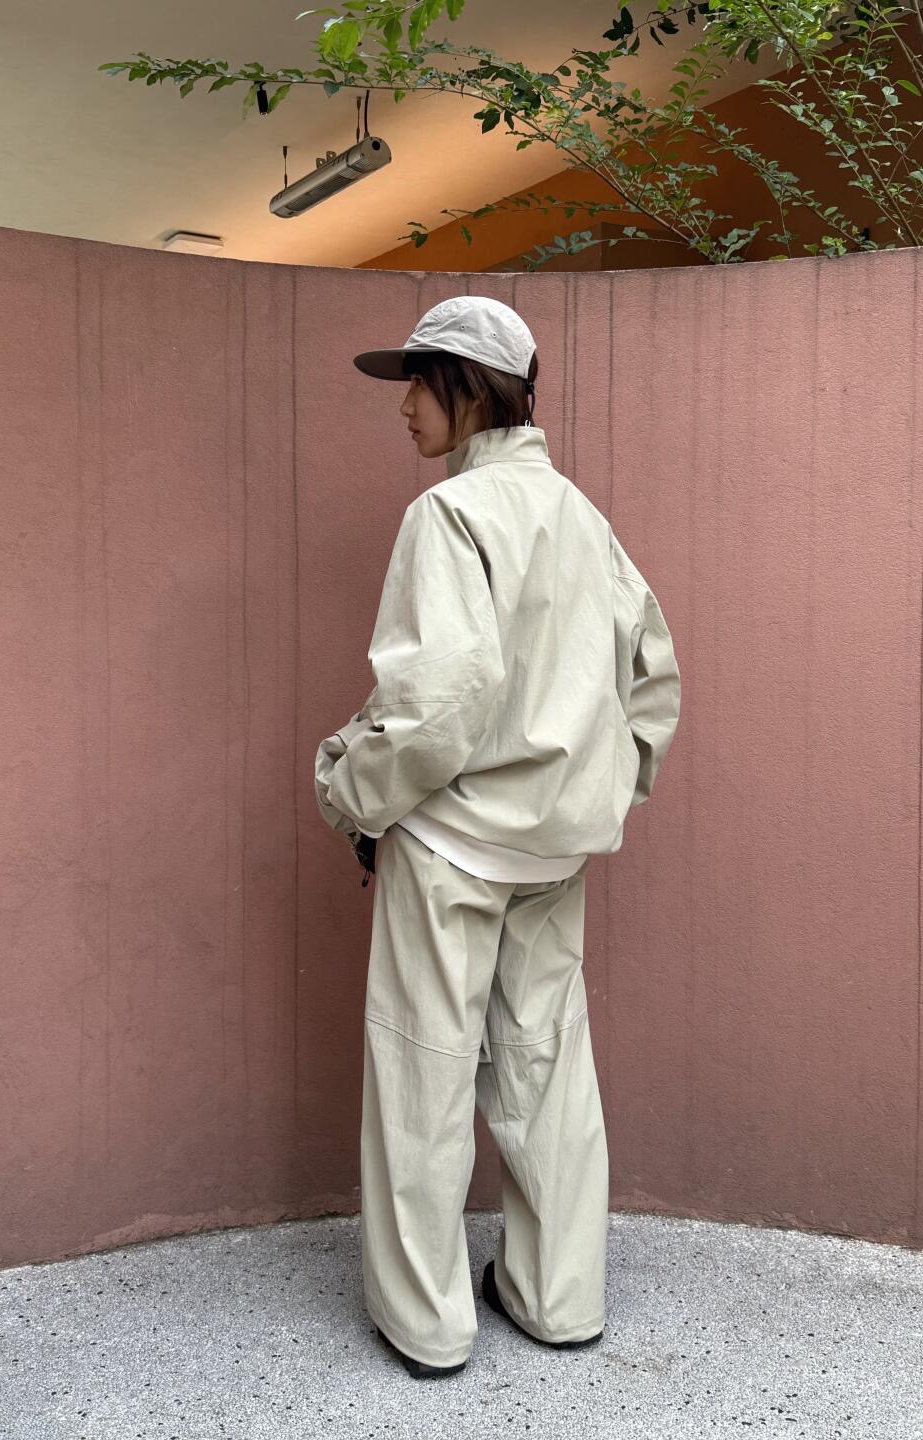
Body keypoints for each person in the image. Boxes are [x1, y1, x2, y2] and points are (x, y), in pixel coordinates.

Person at [314, 294, 681, 1380]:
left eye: (416, 385)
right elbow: (652, 679)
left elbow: (439, 707)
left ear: (467, 388)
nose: (403, 409)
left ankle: (427, 1325)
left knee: (423, 1068)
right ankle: (558, 1298)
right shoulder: (581, 517)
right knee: (546, 1065)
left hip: (451, 843)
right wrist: (601, 789)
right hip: (554, 850)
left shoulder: (449, 516)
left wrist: (351, 793)